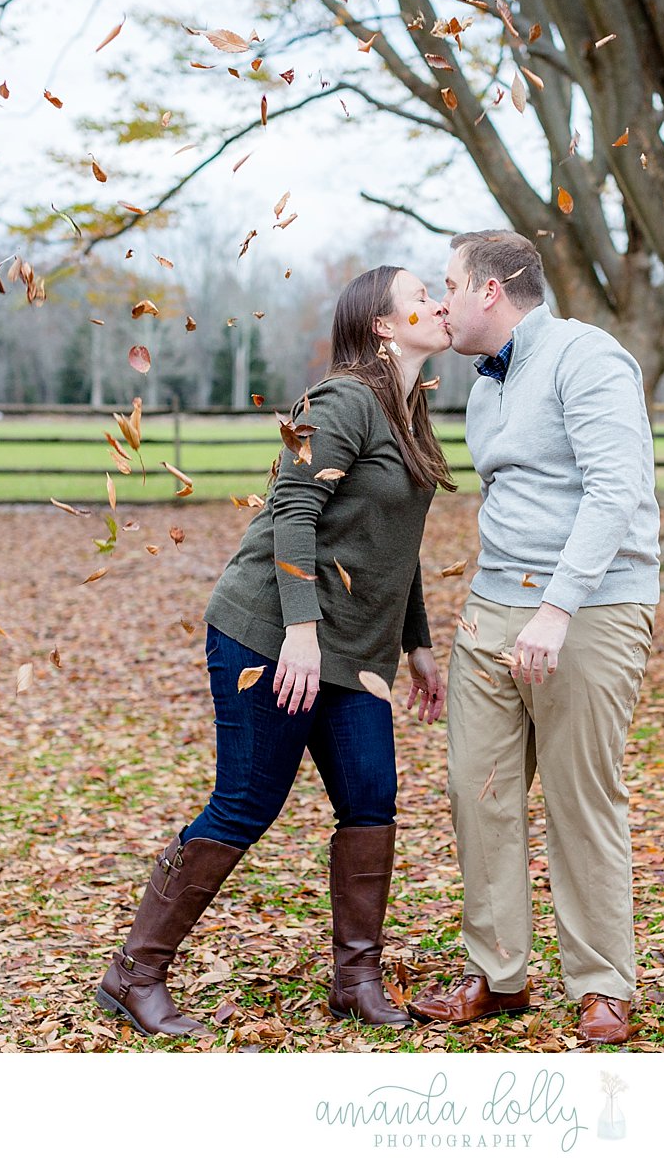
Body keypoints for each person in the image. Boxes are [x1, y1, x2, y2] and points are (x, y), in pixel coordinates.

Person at [96, 265, 455, 1036]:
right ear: (384, 326)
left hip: (352, 649)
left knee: (370, 800)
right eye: (422, 296)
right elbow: (293, 510)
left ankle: (354, 980)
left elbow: (392, 543)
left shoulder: (409, 408)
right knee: (247, 801)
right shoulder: (342, 401)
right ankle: (134, 972)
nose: (440, 303)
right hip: (269, 631)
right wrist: (299, 633)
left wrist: (418, 645)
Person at [408, 231, 661, 1045]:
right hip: (491, 609)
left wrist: (556, 609)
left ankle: (601, 983)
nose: (439, 299)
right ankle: (498, 973)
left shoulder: (587, 358)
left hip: (589, 610)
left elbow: (616, 487)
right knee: (476, 794)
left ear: (491, 289)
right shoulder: (484, 387)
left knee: (580, 798)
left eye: (448, 283)